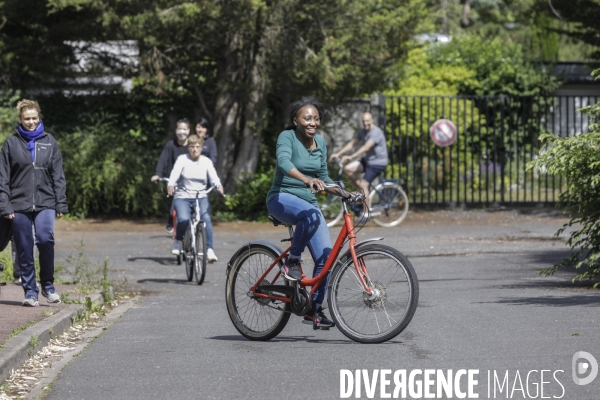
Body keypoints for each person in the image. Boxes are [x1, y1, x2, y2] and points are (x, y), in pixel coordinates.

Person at [266, 96, 339, 329]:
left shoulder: (320, 143)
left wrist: (344, 191)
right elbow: (284, 162)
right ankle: (293, 261)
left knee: (326, 258)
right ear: (295, 120)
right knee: (308, 215)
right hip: (281, 197)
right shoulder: (286, 137)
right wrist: (307, 179)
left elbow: (325, 176)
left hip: (309, 205)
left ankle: (314, 309)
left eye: (316, 118)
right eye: (307, 118)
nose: (312, 122)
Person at [0, 99, 68, 307]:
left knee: (45, 239)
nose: (31, 122)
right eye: (27, 118)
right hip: (18, 203)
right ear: (20, 119)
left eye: (34, 118)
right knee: (24, 246)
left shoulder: (50, 141)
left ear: (40, 118)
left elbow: (58, 175)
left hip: (45, 200)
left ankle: (48, 286)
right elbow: (3, 177)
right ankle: (30, 292)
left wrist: (61, 202)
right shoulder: (10, 143)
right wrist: (5, 204)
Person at [167, 134, 223, 263]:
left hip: (200, 195)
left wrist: (218, 185)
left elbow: (213, 177)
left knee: (206, 218)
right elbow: (174, 174)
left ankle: (209, 250)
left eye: (197, 147)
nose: (194, 149)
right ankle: (178, 241)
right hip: (183, 196)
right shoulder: (182, 159)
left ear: (202, 148)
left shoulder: (206, 161)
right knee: (184, 219)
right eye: (192, 147)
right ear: (188, 147)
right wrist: (171, 184)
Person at [329, 112, 388, 211]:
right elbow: (352, 144)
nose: (365, 123)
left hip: (378, 163)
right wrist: (338, 154)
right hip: (368, 161)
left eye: (368, 121)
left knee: (365, 184)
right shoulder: (363, 131)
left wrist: (350, 156)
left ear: (372, 120)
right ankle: (363, 191)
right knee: (347, 169)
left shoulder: (376, 132)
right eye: (364, 121)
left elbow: (365, 148)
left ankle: (365, 212)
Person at [151, 119, 191, 233]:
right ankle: (170, 219)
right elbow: (163, 160)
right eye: (179, 129)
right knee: (176, 202)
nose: (182, 132)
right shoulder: (170, 145)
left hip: (190, 179)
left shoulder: (193, 145)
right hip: (174, 180)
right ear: (175, 130)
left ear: (189, 131)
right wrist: (158, 174)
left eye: (184, 129)